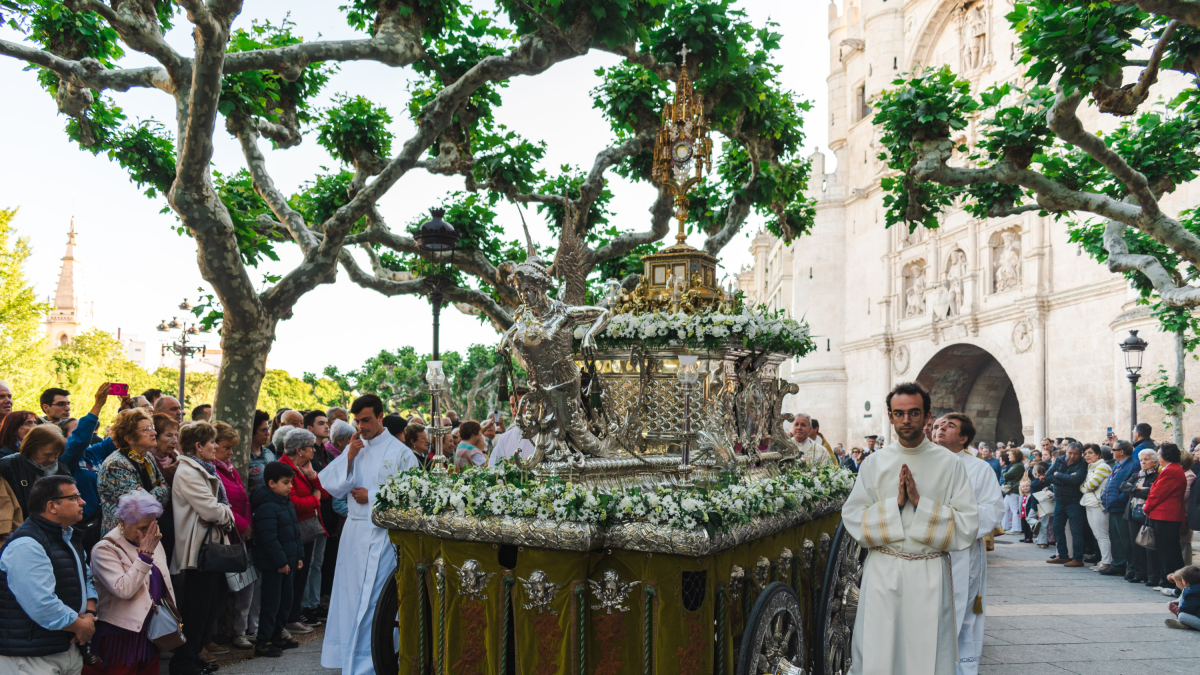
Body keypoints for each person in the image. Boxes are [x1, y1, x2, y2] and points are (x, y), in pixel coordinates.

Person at [842, 382, 979, 675]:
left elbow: (968, 524)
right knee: (878, 649)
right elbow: (853, 516)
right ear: (890, 417)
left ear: (927, 416)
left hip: (929, 571)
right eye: (899, 413)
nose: (907, 420)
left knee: (926, 655)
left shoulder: (950, 464)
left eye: (914, 413)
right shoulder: (874, 463)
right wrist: (894, 505)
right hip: (883, 570)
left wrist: (920, 504)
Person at [317, 394, 419, 675]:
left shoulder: (401, 453)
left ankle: (372, 663)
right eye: (357, 421)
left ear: (380, 417)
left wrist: (373, 496)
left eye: (366, 420)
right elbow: (331, 485)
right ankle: (350, 659)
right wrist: (349, 457)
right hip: (354, 534)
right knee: (350, 597)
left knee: (375, 599)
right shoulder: (355, 447)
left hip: (383, 535)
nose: (361, 426)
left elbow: (414, 495)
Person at [0, 476, 97, 674]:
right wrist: (80, 625)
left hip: (65, 647)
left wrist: (90, 613)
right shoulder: (27, 544)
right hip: (31, 656)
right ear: (52, 506)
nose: (83, 501)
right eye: (75, 497)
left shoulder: (68, 536)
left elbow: (86, 578)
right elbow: (41, 603)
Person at [933, 412, 1003, 675]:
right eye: (938, 425)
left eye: (949, 426)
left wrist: (953, 524)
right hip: (922, 549)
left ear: (963, 438)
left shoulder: (978, 468)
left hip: (959, 552)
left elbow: (992, 508)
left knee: (959, 610)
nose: (940, 429)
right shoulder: (921, 462)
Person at [169, 422, 235, 675]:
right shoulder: (189, 471)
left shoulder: (201, 469)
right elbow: (210, 509)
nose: (216, 447)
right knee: (196, 609)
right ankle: (183, 663)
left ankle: (192, 658)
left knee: (205, 607)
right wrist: (226, 514)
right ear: (198, 446)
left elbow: (214, 510)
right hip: (198, 550)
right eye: (212, 443)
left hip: (209, 546)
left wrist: (221, 513)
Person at [87, 491, 176, 675]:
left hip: (151, 629)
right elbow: (124, 589)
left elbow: (164, 581)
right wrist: (144, 556)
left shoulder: (152, 539)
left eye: (151, 526)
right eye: (141, 528)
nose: (145, 533)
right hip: (119, 633)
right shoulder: (105, 549)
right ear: (122, 521)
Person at [212, 421, 257, 650]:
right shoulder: (212, 469)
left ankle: (241, 630)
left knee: (245, 584)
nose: (230, 453)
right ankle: (213, 636)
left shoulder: (229, 467)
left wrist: (247, 524)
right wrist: (241, 525)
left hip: (240, 534)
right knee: (219, 590)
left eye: (232, 448)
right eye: (226, 447)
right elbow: (222, 505)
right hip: (226, 535)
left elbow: (243, 498)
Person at [251, 462, 303, 658]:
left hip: (288, 563)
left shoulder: (285, 501)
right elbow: (268, 538)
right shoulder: (267, 506)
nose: (290, 486)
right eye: (286, 482)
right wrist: (281, 562)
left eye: (291, 482)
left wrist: (299, 556)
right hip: (276, 566)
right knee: (271, 604)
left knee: (285, 602)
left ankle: (276, 636)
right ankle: (263, 642)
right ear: (271, 484)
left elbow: (294, 532)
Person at [64, 383, 123, 553]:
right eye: (75, 431)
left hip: (103, 524)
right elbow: (80, 440)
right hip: (81, 528)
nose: (87, 433)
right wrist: (97, 405)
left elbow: (119, 439)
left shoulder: (93, 453)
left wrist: (124, 411)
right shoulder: (67, 460)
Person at [279, 428, 327, 635]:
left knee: (302, 573)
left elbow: (324, 492)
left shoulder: (301, 467)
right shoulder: (283, 468)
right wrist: (315, 499)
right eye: (310, 447)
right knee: (293, 576)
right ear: (299, 450)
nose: (314, 451)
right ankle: (289, 618)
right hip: (292, 529)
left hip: (305, 530)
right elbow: (295, 502)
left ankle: (294, 615)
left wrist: (313, 479)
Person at [97, 409, 171, 533]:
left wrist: (150, 493)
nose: (154, 432)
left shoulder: (147, 456)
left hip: (146, 531)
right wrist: (161, 489)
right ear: (129, 438)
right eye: (145, 429)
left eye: (151, 427)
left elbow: (166, 488)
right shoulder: (116, 464)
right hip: (122, 536)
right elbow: (140, 508)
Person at [302, 410, 335, 622]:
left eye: (327, 423)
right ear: (309, 428)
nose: (326, 426)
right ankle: (306, 606)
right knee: (309, 561)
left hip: (326, 515)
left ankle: (313, 603)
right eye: (321, 423)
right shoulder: (308, 454)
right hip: (310, 514)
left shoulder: (327, 453)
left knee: (318, 562)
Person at [0, 426, 74, 518]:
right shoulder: (8, 466)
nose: (52, 459)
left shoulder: (62, 468)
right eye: (47, 454)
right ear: (31, 448)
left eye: (56, 454)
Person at [1144, 443, 1188, 588]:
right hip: (1167, 515)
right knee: (1170, 550)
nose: (1158, 456)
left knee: (1168, 551)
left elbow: (1158, 494)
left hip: (1165, 515)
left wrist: (1147, 507)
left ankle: (1170, 582)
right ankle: (1173, 581)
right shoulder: (1172, 469)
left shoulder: (1171, 471)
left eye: (1159, 454)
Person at [1046, 442, 1088, 567]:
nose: (1072, 456)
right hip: (1059, 500)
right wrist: (1065, 480)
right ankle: (1063, 555)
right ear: (1066, 452)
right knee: (1057, 527)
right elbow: (1048, 476)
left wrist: (1058, 475)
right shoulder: (1059, 460)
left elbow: (1076, 480)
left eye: (1075, 454)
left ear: (1080, 454)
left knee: (1076, 531)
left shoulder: (1082, 463)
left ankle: (1077, 558)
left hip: (1074, 501)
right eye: (1070, 453)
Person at [1103, 441, 1140, 577]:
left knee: (1126, 539)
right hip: (1113, 506)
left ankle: (1132, 568)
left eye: (1114, 449)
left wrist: (1119, 498)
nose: (1112, 452)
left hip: (1121, 506)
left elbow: (1131, 485)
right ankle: (1118, 565)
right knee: (1115, 538)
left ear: (1122, 451)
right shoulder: (1117, 465)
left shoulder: (1133, 465)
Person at [1124, 449, 1160, 585]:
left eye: (1146, 459)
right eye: (1141, 460)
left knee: (1148, 544)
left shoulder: (1156, 476)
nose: (1143, 462)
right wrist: (1136, 489)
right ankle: (1139, 573)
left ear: (1155, 462)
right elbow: (1123, 486)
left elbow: (1151, 493)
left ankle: (1152, 576)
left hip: (1147, 513)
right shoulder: (1136, 475)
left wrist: (1134, 490)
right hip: (1133, 512)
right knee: (1135, 544)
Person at [1080, 444, 1113, 571]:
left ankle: (1106, 562)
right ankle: (1104, 560)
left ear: (1098, 455)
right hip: (1089, 502)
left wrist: (1085, 488)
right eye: (1085, 453)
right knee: (1097, 534)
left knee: (1102, 534)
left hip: (1098, 504)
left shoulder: (1103, 467)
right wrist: (1085, 488)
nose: (1087, 455)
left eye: (1090, 453)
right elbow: (1083, 487)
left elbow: (1090, 485)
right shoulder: (1090, 468)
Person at [488, 389, 536, 467]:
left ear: (532, 405)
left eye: (520, 404)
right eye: (512, 406)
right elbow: (493, 466)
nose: (515, 410)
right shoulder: (504, 438)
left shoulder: (542, 435)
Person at [1165, 565, 1200, 630]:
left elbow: (1185, 610)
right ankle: (1188, 625)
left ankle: (1188, 625)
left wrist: (1178, 612)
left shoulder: (1190, 592)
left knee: (1182, 616)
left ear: (1184, 581)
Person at [248, 410, 274, 492]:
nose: (268, 433)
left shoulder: (269, 453)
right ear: (252, 431)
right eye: (264, 430)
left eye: (268, 429)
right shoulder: (243, 458)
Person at [1001, 448, 1025, 534]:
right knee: (1005, 508)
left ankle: (1016, 528)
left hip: (1013, 489)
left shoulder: (1018, 465)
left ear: (1016, 456)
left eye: (1010, 455)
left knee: (1014, 510)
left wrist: (1004, 473)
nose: (1009, 456)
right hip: (1010, 489)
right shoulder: (1015, 465)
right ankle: (1005, 526)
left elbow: (1007, 475)